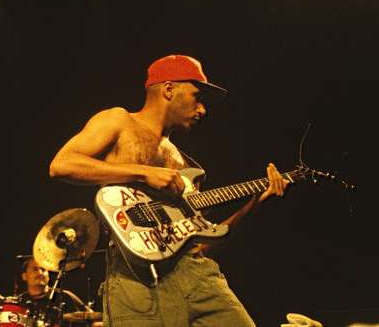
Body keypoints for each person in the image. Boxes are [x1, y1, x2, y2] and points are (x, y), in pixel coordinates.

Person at [48, 55, 288, 327]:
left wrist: (255, 204)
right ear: (169, 89)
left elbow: (200, 244)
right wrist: (143, 171)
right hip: (135, 277)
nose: (203, 110)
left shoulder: (186, 166)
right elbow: (62, 165)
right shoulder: (119, 121)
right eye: (197, 97)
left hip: (197, 275)